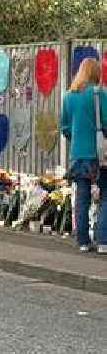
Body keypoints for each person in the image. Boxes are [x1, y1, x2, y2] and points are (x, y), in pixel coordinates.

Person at [61, 57, 107, 254]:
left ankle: (82, 241)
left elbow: (65, 127)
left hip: (78, 154)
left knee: (82, 197)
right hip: (99, 154)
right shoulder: (100, 94)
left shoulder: (68, 96)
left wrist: (77, 137)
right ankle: (103, 240)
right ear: (96, 73)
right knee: (106, 194)